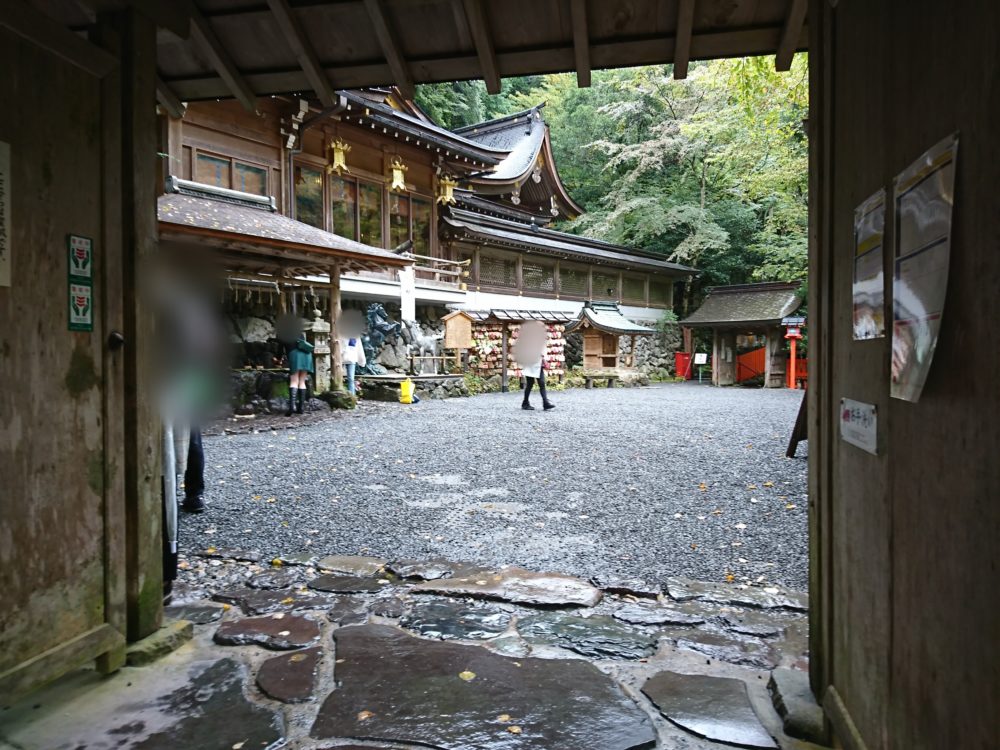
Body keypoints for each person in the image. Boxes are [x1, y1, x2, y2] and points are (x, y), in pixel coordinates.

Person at [515, 320, 555, 411]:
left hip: (537, 363)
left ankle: (544, 402)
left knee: (540, 383)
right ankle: (528, 402)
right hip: (531, 362)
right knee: (531, 384)